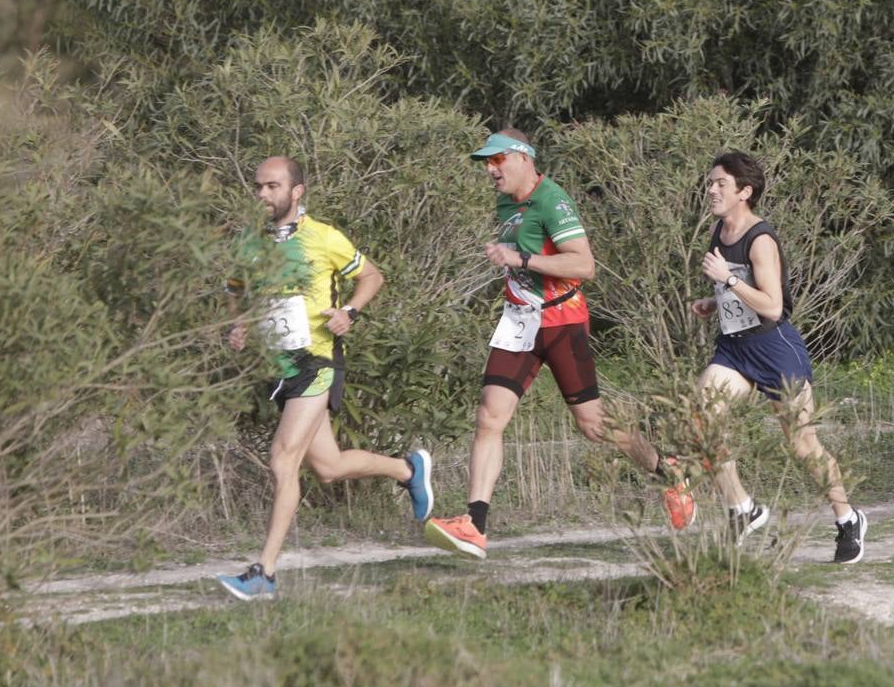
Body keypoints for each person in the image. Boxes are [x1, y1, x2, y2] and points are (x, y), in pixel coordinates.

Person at [423, 129, 694, 560]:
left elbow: (584, 265)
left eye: (497, 161)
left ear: (523, 158)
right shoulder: (506, 202)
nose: (490, 170)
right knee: (489, 417)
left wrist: (522, 260)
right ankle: (474, 524)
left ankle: (668, 469)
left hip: (563, 322)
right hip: (518, 322)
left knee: (593, 425)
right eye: (486, 163)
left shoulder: (552, 199)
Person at [216, 156, 433, 600]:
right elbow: (235, 291)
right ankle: (408, 470)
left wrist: (349, 312)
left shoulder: (324, 237)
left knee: (282, 457)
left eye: (272, 187)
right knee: (328, 467)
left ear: (296, 192)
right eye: (258, 187)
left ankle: (265, 573)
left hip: (318, 361)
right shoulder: (248, 242)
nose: (262, 195)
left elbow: (372, 276)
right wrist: (236, 326)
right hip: (280, 366)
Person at [688, 151, 867, 564]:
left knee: (802, 443)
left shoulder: (760, 238)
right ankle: (742, 509)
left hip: (773, 348)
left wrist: (726, 279)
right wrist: (713, 301)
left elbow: (771, 306)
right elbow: (740, 290)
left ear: (744, 192)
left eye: (720, 184)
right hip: (734, 348)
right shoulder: (721, 229)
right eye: (710, 182)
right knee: (700, 418)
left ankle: (847, 519)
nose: (711, 189)